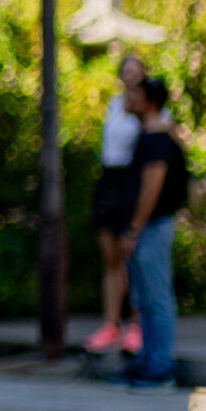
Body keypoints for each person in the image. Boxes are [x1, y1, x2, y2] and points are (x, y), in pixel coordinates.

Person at [114, 76, 189, 390]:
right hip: (144, 228)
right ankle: (146, 360)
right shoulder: (150, 135)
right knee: (142, 299)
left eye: (136, 93)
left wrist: (134, 229)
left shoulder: (158, 139)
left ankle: (161, 366)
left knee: (156, 298)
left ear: (150, 101)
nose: (128, 98)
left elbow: (151, 188)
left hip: (152, 227)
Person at [83, 54, 149, 354]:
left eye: (137, 72)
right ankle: (111, 324)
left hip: (130, 179)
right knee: (110, 256)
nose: (131, 76)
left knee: (130, 254)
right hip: (108, 177)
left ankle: (137, 323)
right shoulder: (113, 104)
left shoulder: (149, 109)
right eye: (127, 71)